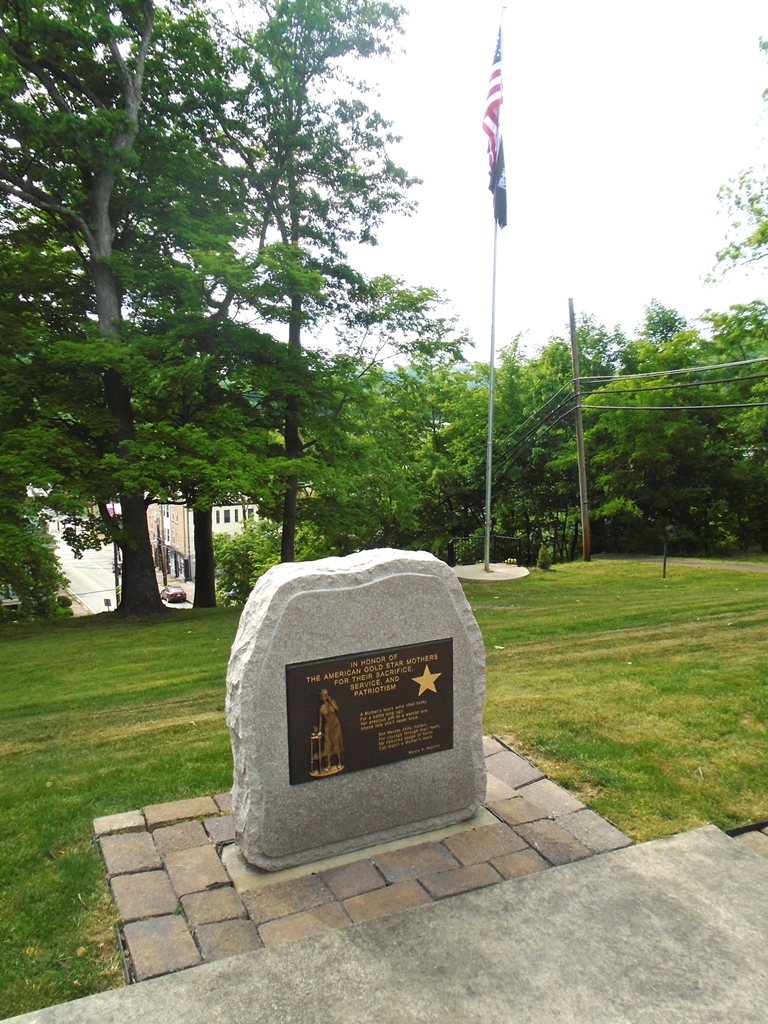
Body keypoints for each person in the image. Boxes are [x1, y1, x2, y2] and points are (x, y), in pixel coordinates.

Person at [318, 688, 343, 773]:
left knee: (337, 744)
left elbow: (337, 709)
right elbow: (321, 720)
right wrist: (320, 731)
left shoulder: (332, 702)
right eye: (323, 695)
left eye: (326, 694)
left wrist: (331, 702)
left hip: (335, 725)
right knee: (327, 746)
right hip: (328, 727)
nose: (325, 696)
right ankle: (328, 765)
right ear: (321, 697)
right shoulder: (322, 708)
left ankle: (339, 762)